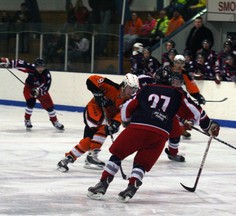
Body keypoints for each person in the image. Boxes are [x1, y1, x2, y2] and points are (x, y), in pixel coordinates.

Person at [87, 66, 220, 202]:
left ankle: (103, 183)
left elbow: (128, 106)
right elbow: (196, 111)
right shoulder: (178, 93)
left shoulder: (146, 88)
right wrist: (208, 125)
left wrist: (126, 121)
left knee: (118, 154)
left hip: (139, 127)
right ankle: (132, 185)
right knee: (142, 162)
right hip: (160, 134)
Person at [57, 73, 139, 172]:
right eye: (131, 88)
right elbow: (91, 79)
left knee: (89, 140)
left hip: (104, 118)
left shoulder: (128, 101)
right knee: (104, 127)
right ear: (124, 85)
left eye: (134, 89)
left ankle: (68, 159)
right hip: (93, 110)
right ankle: (92, 155)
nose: (132, 91)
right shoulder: (111, 86)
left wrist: (115, 123)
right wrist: (97, 92)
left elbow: (122, 114)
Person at [0, 57, 64, 130]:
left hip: (41, 90)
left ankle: (55, 121)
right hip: (29, 88)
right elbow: (20, 63)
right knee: (31, 103)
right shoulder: (31, 68)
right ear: (35, 66)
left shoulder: (47, 75)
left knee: (50, 107)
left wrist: (37, 91)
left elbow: (46, 87)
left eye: (42, 67)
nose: (40, 69)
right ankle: (27, 120)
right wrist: (8, 62)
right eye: (38, 67)